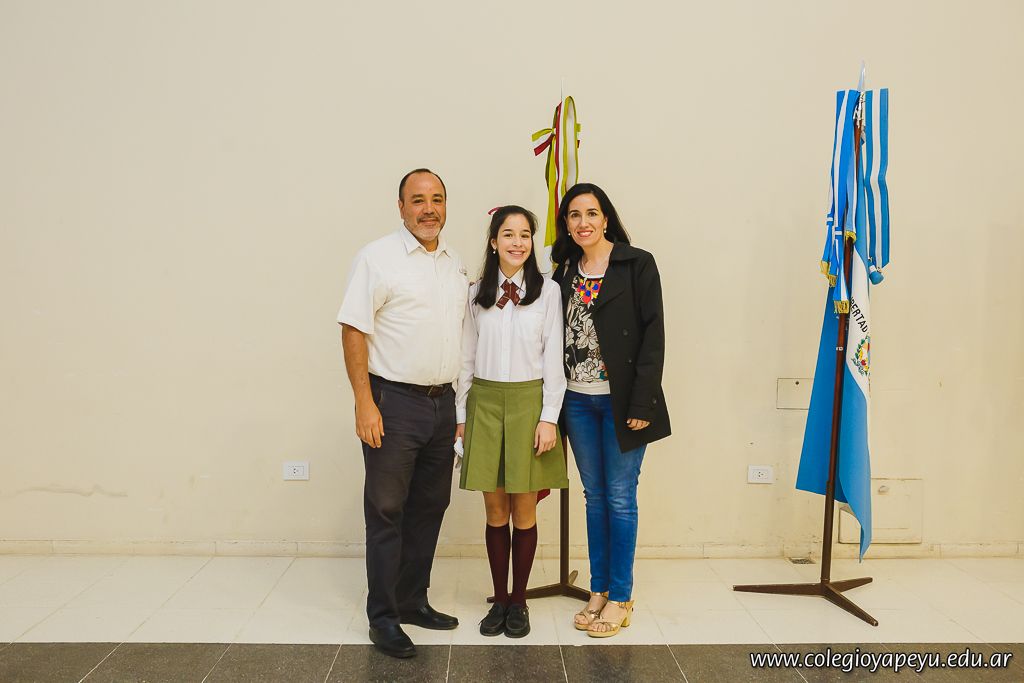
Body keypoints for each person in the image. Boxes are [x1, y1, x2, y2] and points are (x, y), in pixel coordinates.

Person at [337, 168, 467, 659]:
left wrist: (458, 408)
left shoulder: (454, 262)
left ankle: (413, 600)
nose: (428, 209)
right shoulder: (377, 258)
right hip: (393, 403)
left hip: (442, 404)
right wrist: (364, 402)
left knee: (430, 507)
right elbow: (353, 329)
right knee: (387, 510)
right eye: (418, 200)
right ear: (401, 207)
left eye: (437, 199)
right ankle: (384, 617)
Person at [551, 182, 670, 638]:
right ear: (566, 224)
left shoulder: (637, 264)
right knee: (594, 496)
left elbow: (654, 336)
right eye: (574, 215)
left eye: (591, 213)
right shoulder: (564, 272)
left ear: (606, 219)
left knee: (620, 497)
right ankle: (598, 589)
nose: (583, 222)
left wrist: (643, 401)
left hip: (622, 403)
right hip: (577, 402)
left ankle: (621, 596)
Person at [456, 205, 568, 638]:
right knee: (495, 509)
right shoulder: (474, 294)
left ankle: (519, 601)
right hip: (485, 404)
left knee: (524, 508)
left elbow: (554, 359)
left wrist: (549, 418)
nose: (517, 243)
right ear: (493, 242)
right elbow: (466, 358)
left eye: (524, 235)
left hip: (529, 404)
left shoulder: (548, 292)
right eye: (508, 234)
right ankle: (499, 599)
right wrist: (462, 417)